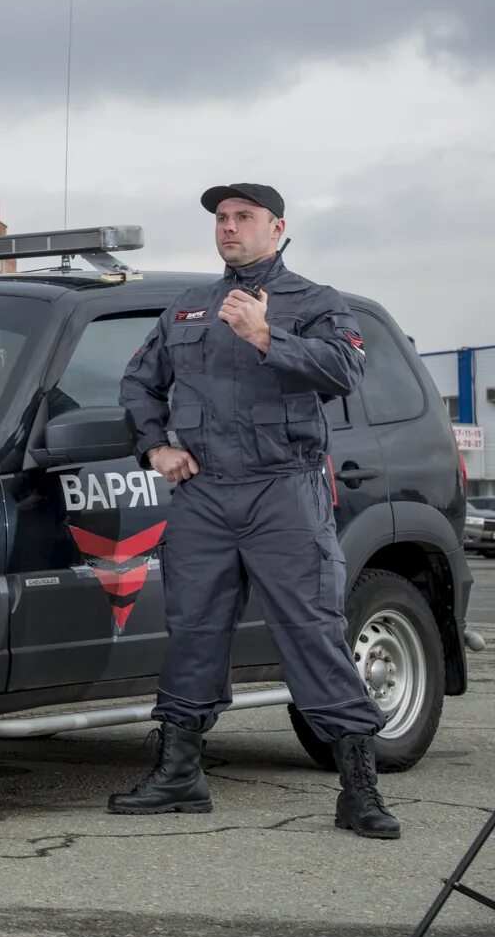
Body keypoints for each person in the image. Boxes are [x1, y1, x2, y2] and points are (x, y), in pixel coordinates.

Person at [111, 182, 398, 840]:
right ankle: (180, 774)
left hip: (283, 491)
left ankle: (359, 789)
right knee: (192, 629)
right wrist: (154, 444)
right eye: (221, 218)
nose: (229, 227)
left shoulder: (316, 302)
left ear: (277, 227)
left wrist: (267, 334)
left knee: (312, 629)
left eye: (244, 217)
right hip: (205, 494)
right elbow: (139, 381)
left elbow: (345, 371)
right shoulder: (186, 309)